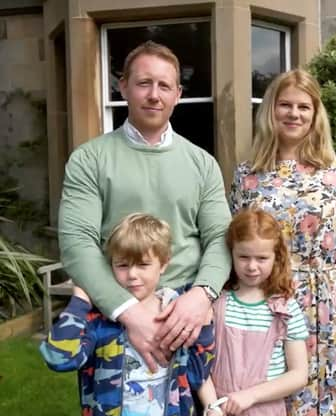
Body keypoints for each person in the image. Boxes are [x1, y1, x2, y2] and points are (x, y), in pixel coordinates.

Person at [57, 41, 231, 372]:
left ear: (177, 94)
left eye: (164, 85)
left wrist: (201, 295)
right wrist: (129, 311)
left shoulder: (202, 164)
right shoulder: (89, 159)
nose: (154, 95)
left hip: (186, 319)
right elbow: (77, 243)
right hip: (113, 315)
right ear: (123, 87)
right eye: (144, 83)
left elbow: (221, 237)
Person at [229, 69, 336, 416]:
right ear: (270, 110)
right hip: (266, 298)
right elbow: (233, 242)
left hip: (323, 301)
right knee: (266, 387)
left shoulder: (334, 170)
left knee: (323, 391)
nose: (294, 114)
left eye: (304, 107)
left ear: (315, 114)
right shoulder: (248, 174)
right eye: (285, 105)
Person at [40, 213, 224, 416]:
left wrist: (203, 328)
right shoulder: (99, 320)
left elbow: (197, 371)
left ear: (164, 264)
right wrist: (80, 301)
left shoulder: (176, 312)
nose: (132, 275)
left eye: (143, 264)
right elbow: (58, 359)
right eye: (123, 265)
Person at [212, 208, 308, 416]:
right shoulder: (217, 303)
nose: (252, 266)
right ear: (231, 253)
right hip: (219, 414)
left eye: (262, 258)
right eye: (243, 257)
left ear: (277, 257)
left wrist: (251, 395)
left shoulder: (285, 309)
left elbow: (299, 374)